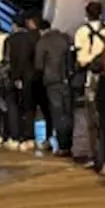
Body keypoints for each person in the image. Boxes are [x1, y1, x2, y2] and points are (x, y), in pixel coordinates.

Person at [73, 2, 105, 170]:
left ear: (86, 14)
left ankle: (97, 157)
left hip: (91, 78)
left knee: (92, 119)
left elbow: (81, 60)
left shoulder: (82, 32)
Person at [34, 18, 74, 155]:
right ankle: (70, 143)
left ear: (41, 30)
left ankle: (62, 146)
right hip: (67, 79)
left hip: (52, 81)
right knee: (68, 111)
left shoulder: (43, 41)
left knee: (58, 112)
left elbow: (38, 65)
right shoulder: (65, 38)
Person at [3, 14, 41, 151]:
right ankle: (29, 137)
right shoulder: (32, 38)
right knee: (29, 108)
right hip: (30, 77)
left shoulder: (10, 39)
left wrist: (15, 76)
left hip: (15, 76)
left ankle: (15, 137)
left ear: (14, 25)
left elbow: (7, 59)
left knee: (13, 107)